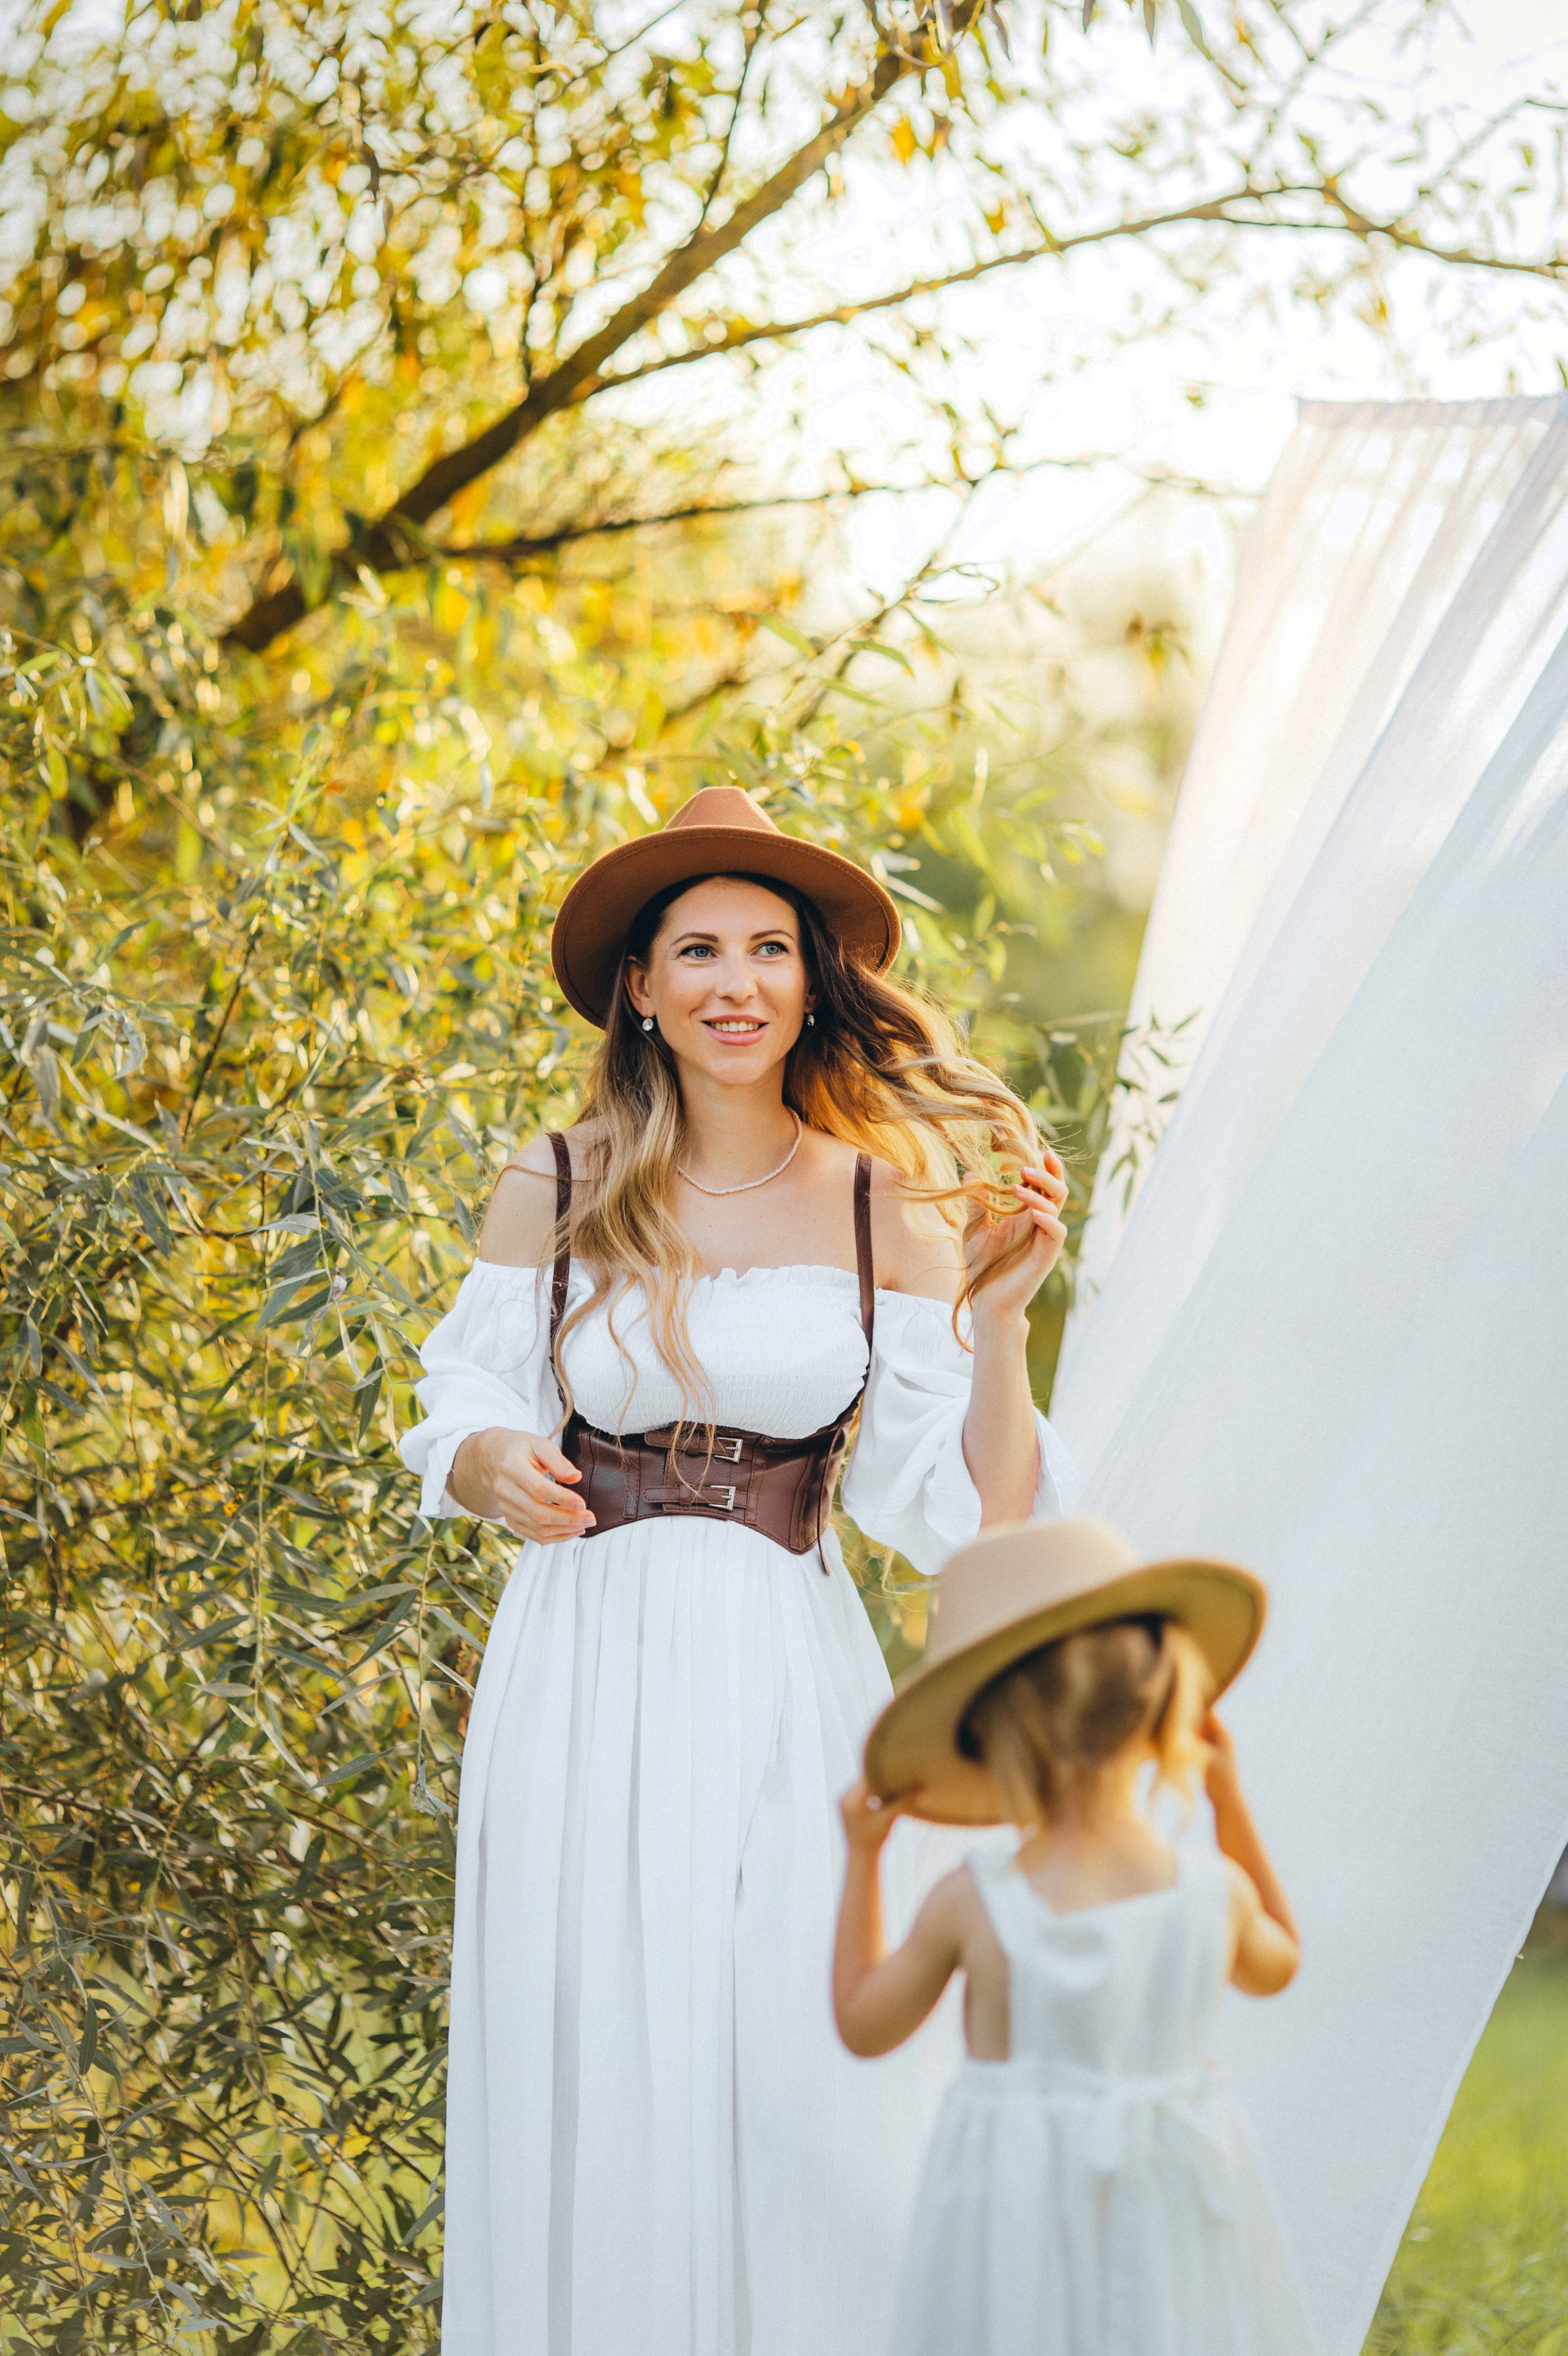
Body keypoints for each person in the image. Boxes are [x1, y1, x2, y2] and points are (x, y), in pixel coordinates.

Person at [399, 786, 1077, 2356]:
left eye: (767, 948)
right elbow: (459, 1391)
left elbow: (960, 1504)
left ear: (808, 980)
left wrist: (1002, 1324)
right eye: (694, 948)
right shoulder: (556, 1182)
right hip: (583, 1663)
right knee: (601, 2046)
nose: (733, 981)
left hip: (788, 1672)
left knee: (796, 2066)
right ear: (637, 987)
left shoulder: (878, 1204)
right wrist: (481, 1460)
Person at [833, 1516, 1313, 2356]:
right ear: (1168, 1713)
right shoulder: (1216, 1893)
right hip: (1170, 2216)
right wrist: (1228, 1805)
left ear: (994, 1745)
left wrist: (864, 1859)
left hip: (1012, 2232)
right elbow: (1280, 1962)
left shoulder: (973, 1902)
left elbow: (864, 2024)